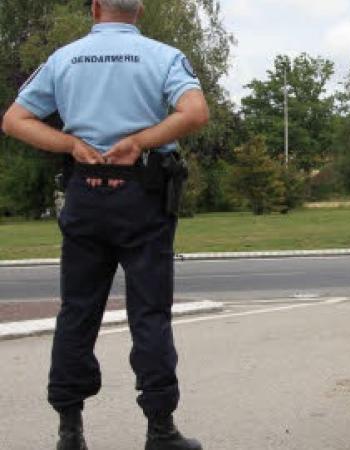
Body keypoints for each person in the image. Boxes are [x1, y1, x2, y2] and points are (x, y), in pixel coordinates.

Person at [1, 0, 209, 448]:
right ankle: (160, 430)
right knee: (149, 314)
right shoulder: (163, 57)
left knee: (77, 311)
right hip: (144, 197)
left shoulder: (64, 58)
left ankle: (69, 431)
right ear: (139, 11)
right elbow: (194, 112)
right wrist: (138, 141)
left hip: (86, 192)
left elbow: (14, 121)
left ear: (95, 8)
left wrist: (71, 144)